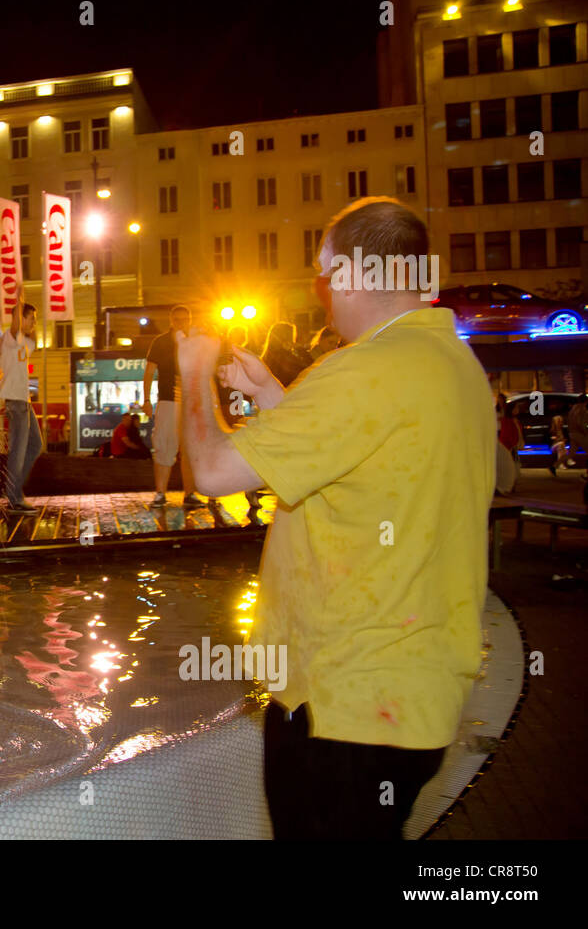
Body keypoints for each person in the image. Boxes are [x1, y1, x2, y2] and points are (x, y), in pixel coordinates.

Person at [178, 197, 493, 839]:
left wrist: (191, 374)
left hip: (344, 702)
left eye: (324, 275)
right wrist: (274, 398)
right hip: (414, 693)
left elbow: (209, 471)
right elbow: (369, 461)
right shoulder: (453, 363)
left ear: (355, 273)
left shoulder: (362, 370)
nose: (321, 293)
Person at [142, 305, 211, 508]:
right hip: (169, 399)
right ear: (171, 321)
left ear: (190, 320)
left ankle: (189, 493)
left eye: (185, 319)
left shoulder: (194, 342)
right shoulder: (161, 342)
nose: (182, 323)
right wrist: (146, 400)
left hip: (191, 401)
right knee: (165, 445)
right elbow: (149, 372)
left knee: (190, 448)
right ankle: (160, 493)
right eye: (178, 319)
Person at [0, 300, 42, 514]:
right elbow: (15, 326)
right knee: (18, 449)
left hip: (24, 401)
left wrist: (29, 321)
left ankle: (13, 489)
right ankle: (14, 497)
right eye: (31, 319)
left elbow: (34, 340)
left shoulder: (24, 342)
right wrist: (19, 299)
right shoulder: (9, 339)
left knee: (35, 445)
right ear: (20, 318)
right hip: (15, 401)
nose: (35, 323)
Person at [260, 321, 308, 387]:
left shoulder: (267, 357)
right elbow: (306, 371)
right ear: (285, 337)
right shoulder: (285, 357)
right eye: (292, 336)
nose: (293, 340)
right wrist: (301, 350)